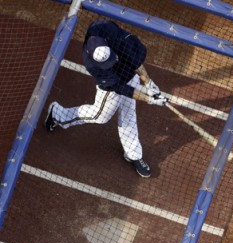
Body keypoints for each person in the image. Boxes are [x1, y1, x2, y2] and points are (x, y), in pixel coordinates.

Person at [44, 20, 168, 178]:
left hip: (128, 74)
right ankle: (57, 114)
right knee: (99, 116)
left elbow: (131, 55)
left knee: (128, 113)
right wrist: (148, 99)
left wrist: (148, 82)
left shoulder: (107, 30)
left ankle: (133, 154)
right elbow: (120, 88)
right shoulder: (92, 65)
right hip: (114, 85)